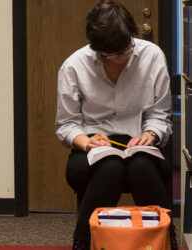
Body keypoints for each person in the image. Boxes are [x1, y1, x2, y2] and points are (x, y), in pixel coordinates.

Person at [55, 0, 177, 249]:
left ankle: (165, 239)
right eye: (114, 54)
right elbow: (66, 124)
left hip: (140, 144)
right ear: (98, 49)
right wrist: (86, 142)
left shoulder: (152, 57)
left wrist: (151, 134)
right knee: (110, 167)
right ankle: (84, 242)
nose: (123, 58)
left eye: (127, 49)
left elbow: (160, 115)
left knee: (141, 166)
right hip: (92, 147)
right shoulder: (74, 66)